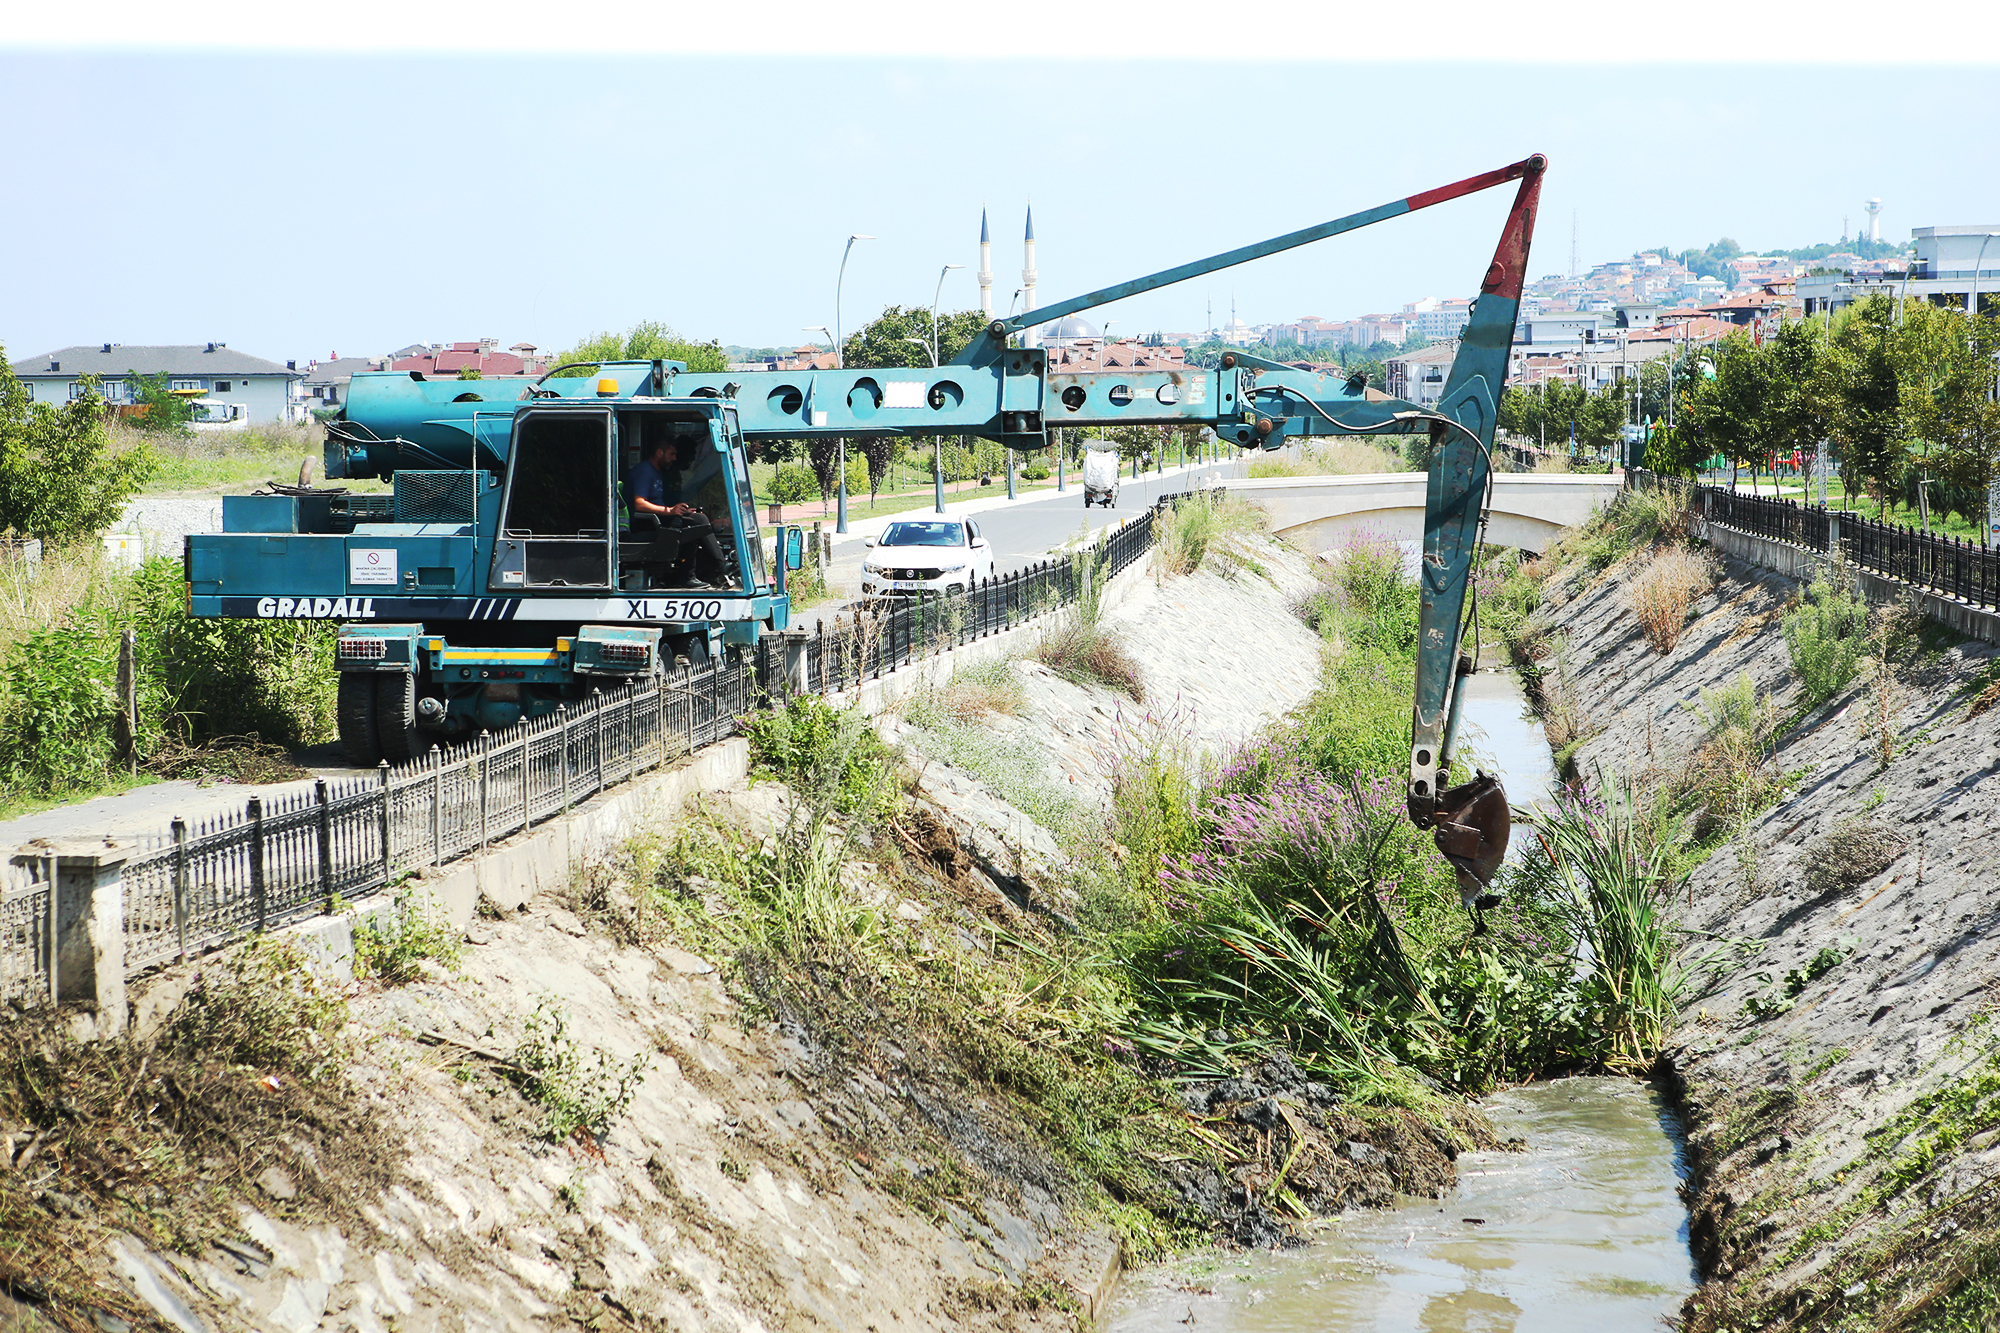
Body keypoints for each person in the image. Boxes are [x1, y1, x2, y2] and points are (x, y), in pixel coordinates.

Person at [626, 436, 732, 588]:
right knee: (698, 521)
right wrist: (669, 511)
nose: (674, 458)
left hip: (659, 518)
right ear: (659, 453)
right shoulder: (644, 471)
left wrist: (681, 511)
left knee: (695, 519)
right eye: (672, 454)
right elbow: (639, 504)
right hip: (646, 523)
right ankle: (719, 566)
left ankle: (693, 574)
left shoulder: (657, 473)